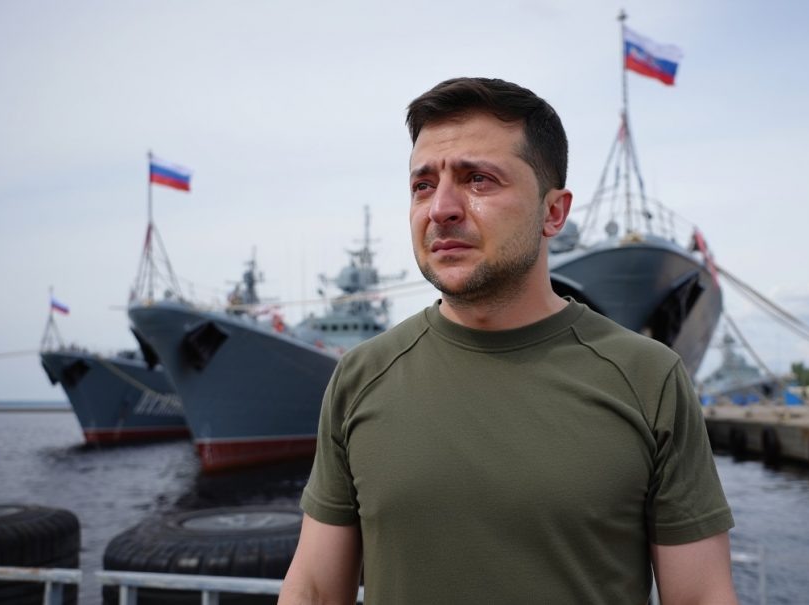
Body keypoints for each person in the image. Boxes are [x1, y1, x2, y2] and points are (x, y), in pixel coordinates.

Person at [279, 77, 737, 605]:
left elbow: (701, 596)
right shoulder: (360, 377)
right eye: (423, 185)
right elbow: (314, 590)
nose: (441, 208)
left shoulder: (650, 379)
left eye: (478, 179)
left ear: (554, 212)